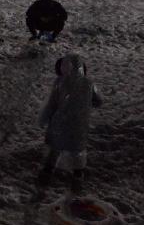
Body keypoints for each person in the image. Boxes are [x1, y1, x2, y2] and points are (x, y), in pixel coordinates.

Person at [37, 54, 103, 193]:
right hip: (80, 125)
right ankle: (78, 179)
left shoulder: (60, 82)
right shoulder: (89, 83)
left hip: (59, 124)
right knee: (78, 151)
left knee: (55, 149)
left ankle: (46, 176)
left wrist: (43, 118)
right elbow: (99, 101)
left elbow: (51, 103)